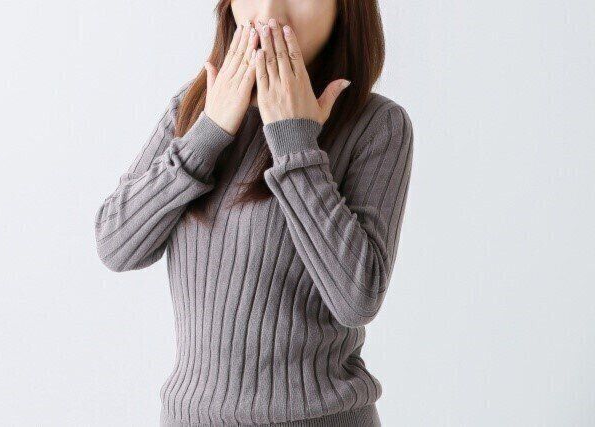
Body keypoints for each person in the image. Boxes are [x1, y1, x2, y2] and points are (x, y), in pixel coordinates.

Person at [94, 1, 413, 425]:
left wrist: (294, 140)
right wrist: (208, 134)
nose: (269, 14)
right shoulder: (194, 108)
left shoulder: (377, 125)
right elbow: (116, 245)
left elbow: (357, 300)